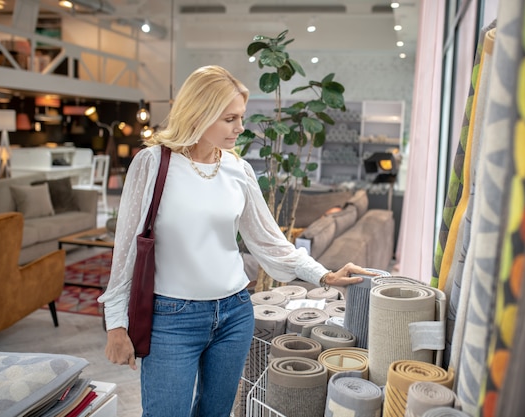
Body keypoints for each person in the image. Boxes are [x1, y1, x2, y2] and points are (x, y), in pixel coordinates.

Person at [98, 65, 377, 417]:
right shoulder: (152, 164)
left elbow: (269, 241)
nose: (241, 128)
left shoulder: (238, 170)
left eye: (241, 117)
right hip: (171, 319)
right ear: (200, 113)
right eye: (230, 118)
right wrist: (116, 325)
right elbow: (124, 253)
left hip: (233, 313)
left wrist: (324, 276)